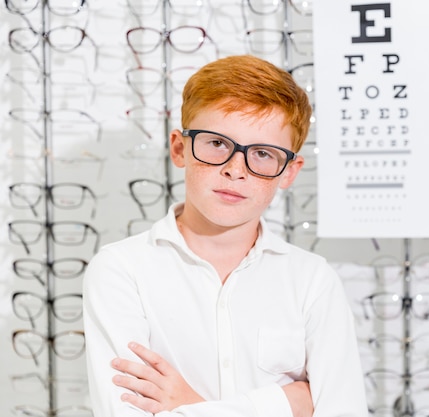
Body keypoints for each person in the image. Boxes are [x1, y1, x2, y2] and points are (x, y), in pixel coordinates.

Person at [82, 54, 368, 417]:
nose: (236, 170)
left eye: (263, 153)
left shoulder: (312, 281)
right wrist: (285, 403)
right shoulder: (121, 271)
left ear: (289, 172)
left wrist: (190, 406)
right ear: (179, 148)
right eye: (217, 144)